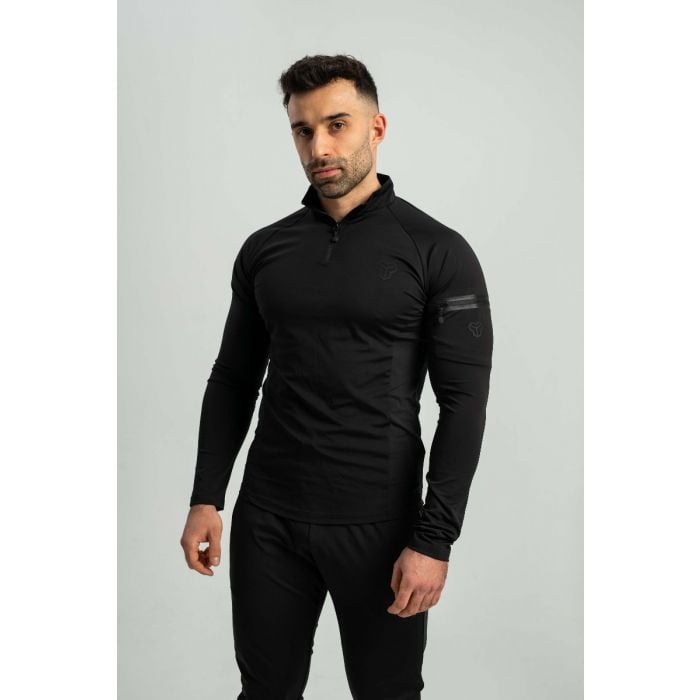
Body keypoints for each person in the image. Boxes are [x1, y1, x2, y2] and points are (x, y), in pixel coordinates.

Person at [180, 54, 494, 700]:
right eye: (302, 130)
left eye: (336, 125)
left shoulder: (438, 251)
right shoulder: (266, 249)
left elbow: (463, 404)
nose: (319, 147)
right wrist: (207, 496)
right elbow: (234, 376)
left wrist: (434, 539)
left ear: (377, 128)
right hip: (268, 519)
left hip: (380, 527)